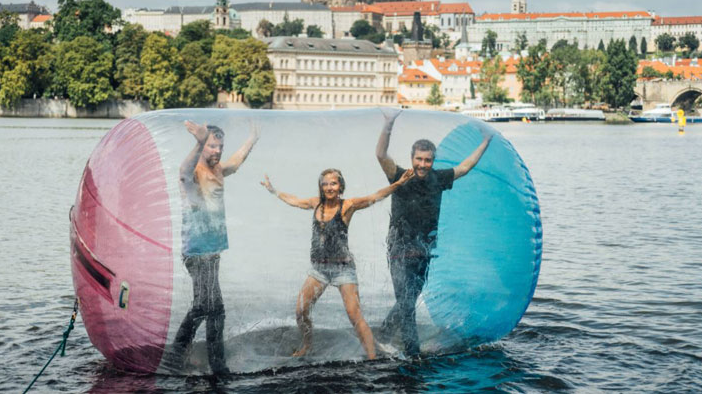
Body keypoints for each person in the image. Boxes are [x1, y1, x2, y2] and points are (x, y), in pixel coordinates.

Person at [260, 167, 414, 359]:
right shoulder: (316, 203)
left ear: (340, 185)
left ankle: (372, 358)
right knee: (301, 310)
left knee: (354, 315)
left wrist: (398, 184)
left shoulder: (347, 205)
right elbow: (295, 200)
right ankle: (307, 345)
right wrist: (274, 191)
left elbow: (374, 196)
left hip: (343, 269)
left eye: (333, 183)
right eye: (324, 184)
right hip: (319, 270)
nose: (328, 187)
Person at [375, 108, 492, 356]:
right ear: (412, 158)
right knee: (407, 303)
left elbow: (464, 168)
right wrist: (388, 124)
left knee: (408, 299)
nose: (423, 164)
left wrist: (485, 141)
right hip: (398, 249)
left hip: (424, 250)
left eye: (427, 160)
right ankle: (412, 354)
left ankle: (384, 332)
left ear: (433, 160)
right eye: (419, 159)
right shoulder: (400, 176)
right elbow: (380, 154)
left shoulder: (438, 179)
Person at [171, 120, 259, 374]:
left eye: (220, 146)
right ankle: (215, 363)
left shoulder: (218, 169)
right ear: (202, 146)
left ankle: (180, 354)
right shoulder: (194, 172)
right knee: (213, 308)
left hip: (212, 250)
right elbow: (182, 172)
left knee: (204, 306)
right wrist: (198, 143)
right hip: (197, 251)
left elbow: (236, 161)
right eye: (212, 145)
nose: (217, 150)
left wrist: (252, 138)